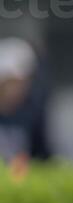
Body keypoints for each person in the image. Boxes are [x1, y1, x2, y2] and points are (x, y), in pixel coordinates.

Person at [0, 38, 50, 166]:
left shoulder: (33, 113)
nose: (18, 88)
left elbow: (43, 158)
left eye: (24, 82)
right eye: (11, 82)